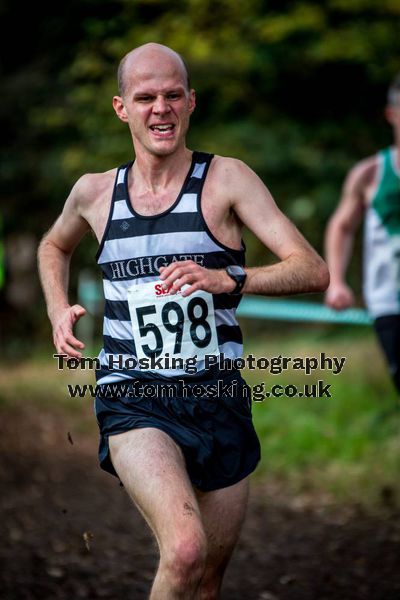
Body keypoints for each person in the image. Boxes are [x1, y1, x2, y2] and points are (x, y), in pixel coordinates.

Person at [38, 43, 329, 599]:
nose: (160, 109)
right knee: (185, 550)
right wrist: (57, 306)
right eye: (145, 98)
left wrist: (230, 279)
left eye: (173, 95)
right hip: (133, 394)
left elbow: (312, 269)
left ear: (191, 102)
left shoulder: (227, 180)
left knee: (206, 581)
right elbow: (54, 245)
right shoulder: (95, 193)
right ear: (121, 108)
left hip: (218, 396)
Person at [325, 73, 400, 396]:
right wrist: (337, 282)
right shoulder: (370, 173)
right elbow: (342, 226)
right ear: (392, 114)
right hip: (389, 302)